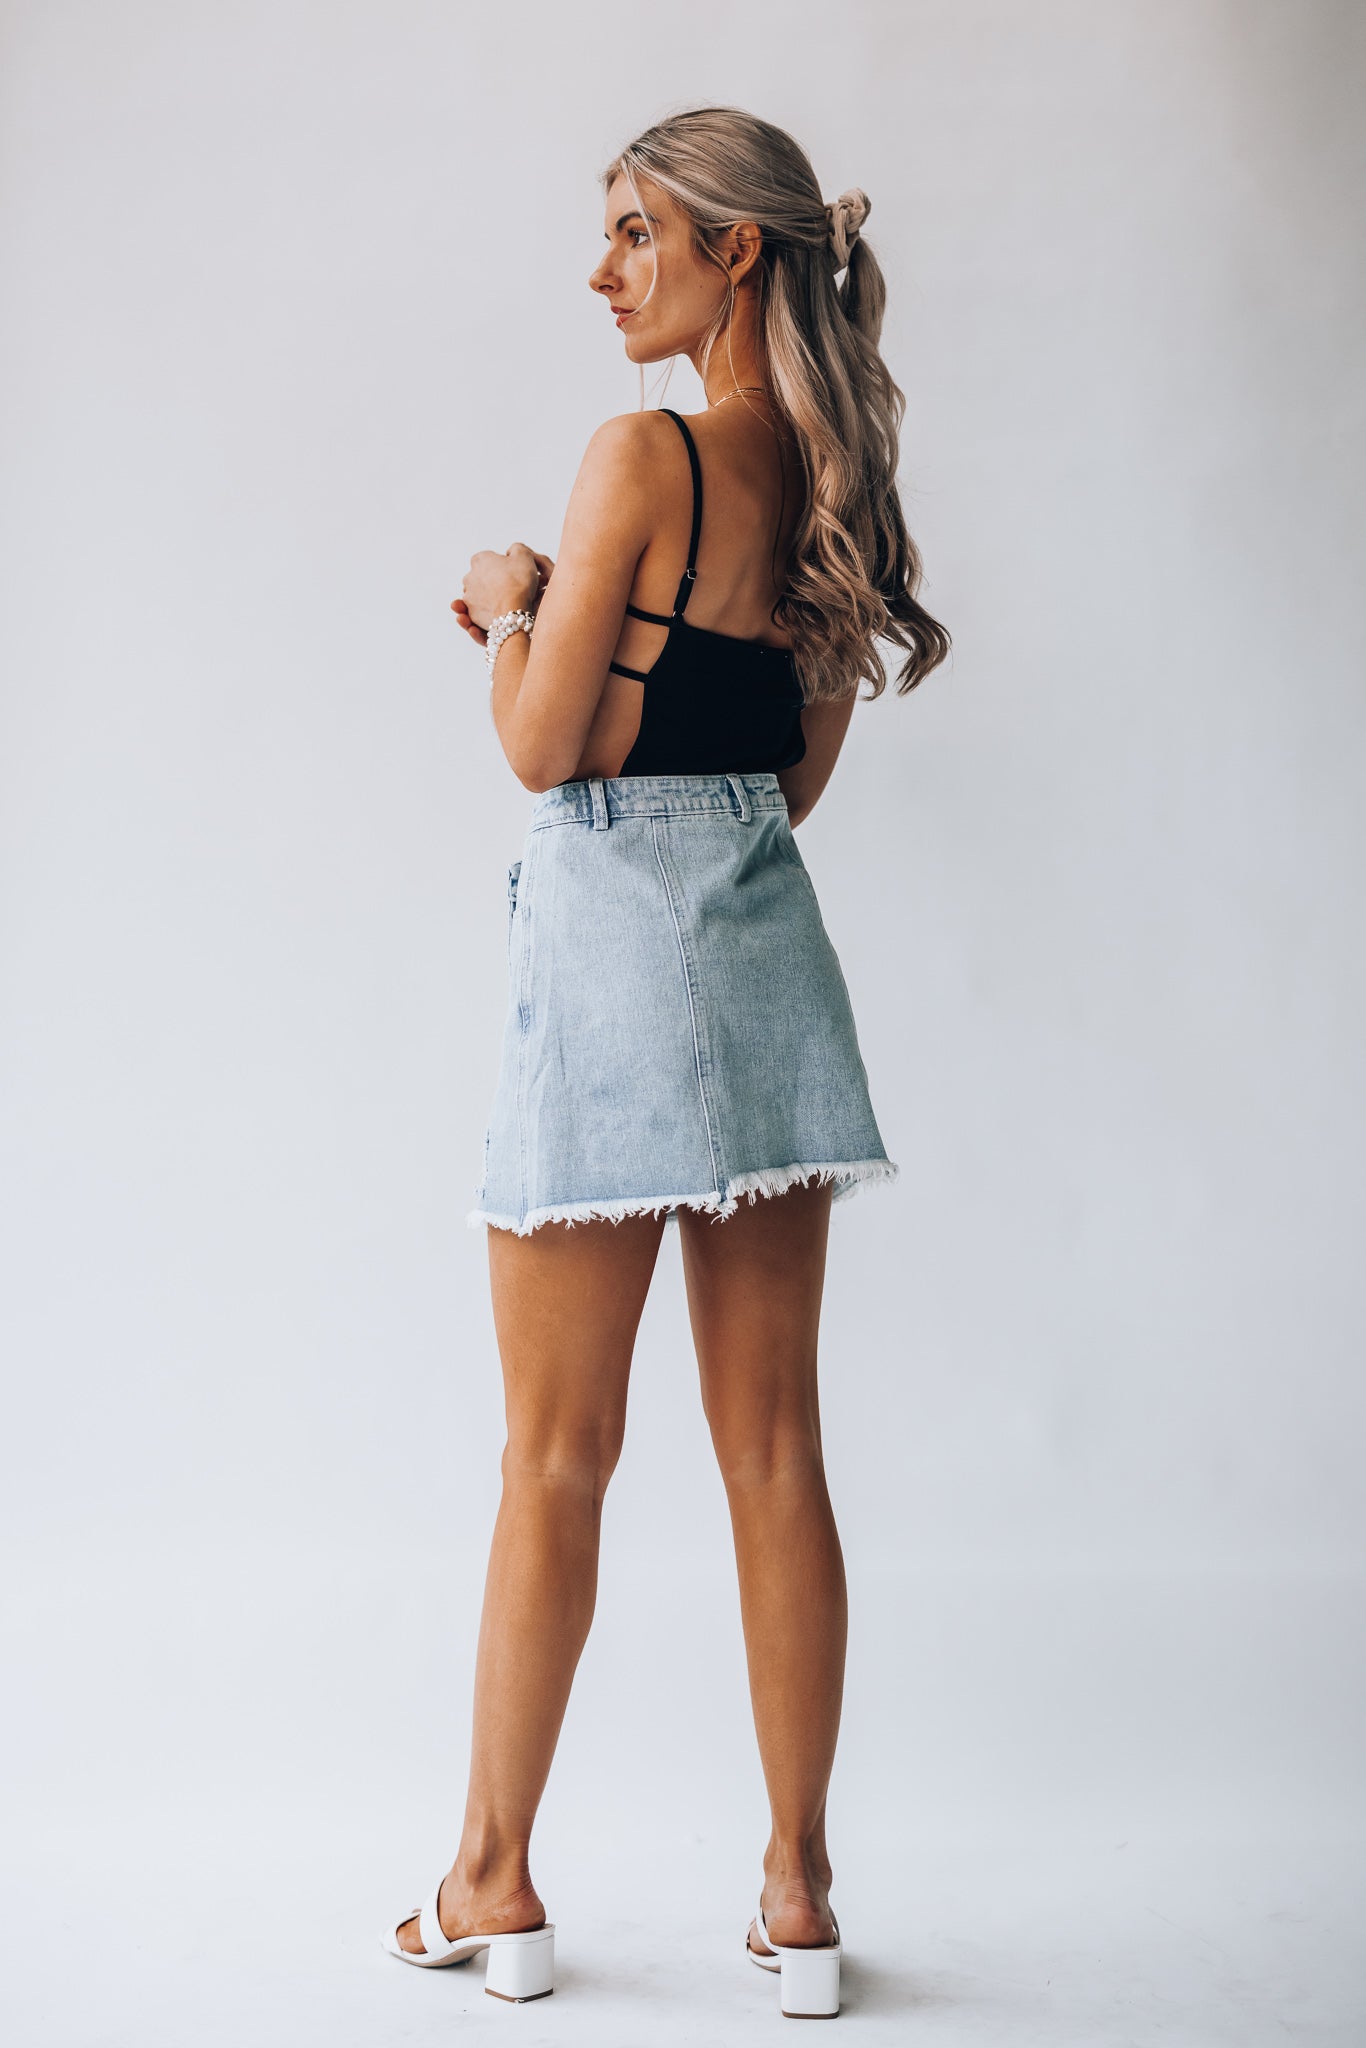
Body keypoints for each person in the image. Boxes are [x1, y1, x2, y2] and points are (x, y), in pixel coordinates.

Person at [381, 104, 950, 2017]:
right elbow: (788, 779)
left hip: (615, 961)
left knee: (556, 1454)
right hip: (770, 959)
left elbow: (544, 751)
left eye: (636, 231)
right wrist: (612, 635)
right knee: (775, 1447)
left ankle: (490, 1884)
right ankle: (798, 1897)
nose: (602, 269)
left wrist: (513, 607)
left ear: (734, 251)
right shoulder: (837, 492)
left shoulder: (640, 455)